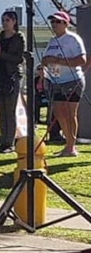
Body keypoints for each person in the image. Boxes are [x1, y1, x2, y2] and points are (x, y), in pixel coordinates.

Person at [42, 11, 86, 157]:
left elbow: (82, 60)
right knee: (59, 112)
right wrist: (43, 66)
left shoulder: (73, 39)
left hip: (72, 80)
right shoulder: (52, 41)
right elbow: (45, 59)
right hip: (56, 81)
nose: (54, 24)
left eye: (58, 21)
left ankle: (71, 146)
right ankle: (67, 143)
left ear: (66, 23)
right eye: (52, 21)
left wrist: (60, 61)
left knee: (70, 113)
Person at [0, 10, 24, 154]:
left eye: (8, 20)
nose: (4, 23)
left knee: (10, 110)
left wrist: (0, 53)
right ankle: (3, 141)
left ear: (14, 21)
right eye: (3, 20)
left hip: (11, 77)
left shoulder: (18, 38)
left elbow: (18, 59)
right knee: (1, 111)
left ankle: (10, 142)